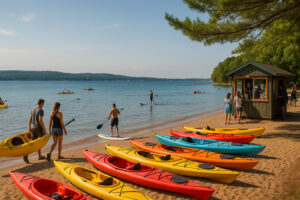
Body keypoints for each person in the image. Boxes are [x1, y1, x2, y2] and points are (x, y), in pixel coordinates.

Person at [23, 98, 47, 164]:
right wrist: (44, 128)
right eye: (43, 103)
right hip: (39, 128)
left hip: (33, 128)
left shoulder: (33, 109)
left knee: (33, 143)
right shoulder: (41, 110)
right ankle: (35, 155)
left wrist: (29, 127)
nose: (44, 104)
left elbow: (30, 119)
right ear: (41, 103)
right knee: (40, 142)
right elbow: (40, 120)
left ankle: (34, 155)